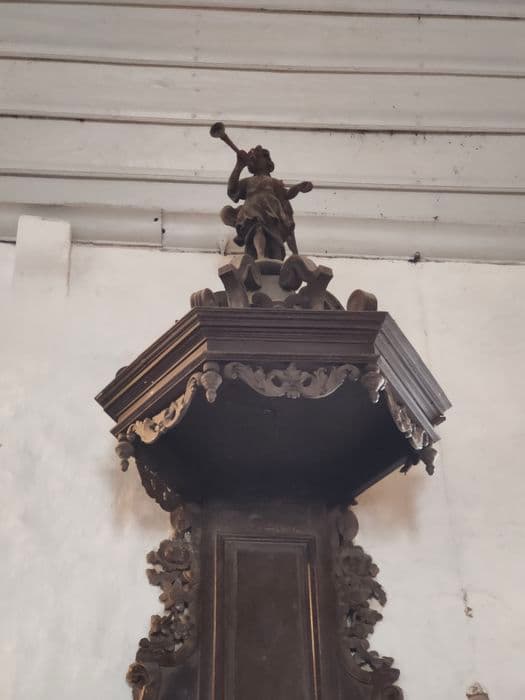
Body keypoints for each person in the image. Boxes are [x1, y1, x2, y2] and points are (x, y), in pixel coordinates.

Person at [220, 145, 313, 260]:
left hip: (271, 212)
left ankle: (268, 256)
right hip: (253, 210)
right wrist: (239, 166)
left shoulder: (274, 182)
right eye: (253, 158)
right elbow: (232, 191)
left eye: (259, 157)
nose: (255, 159)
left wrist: (298, 188)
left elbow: (287, 195)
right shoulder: (248, 181)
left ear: (268, 162)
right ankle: (260, 255)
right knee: (257, 229)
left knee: (273, 239)